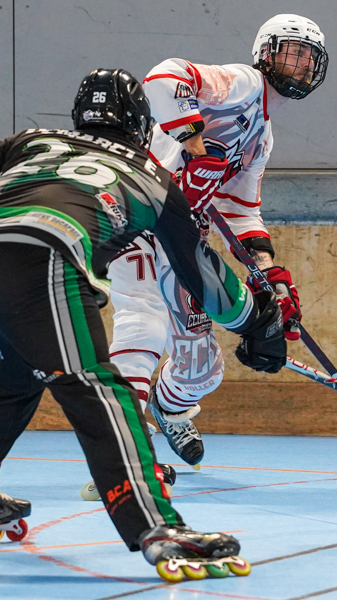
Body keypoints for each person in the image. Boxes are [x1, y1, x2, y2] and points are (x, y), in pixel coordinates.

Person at [0, 68, 286, 581]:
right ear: (139, 123)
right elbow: (204, 276)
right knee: (98, 390)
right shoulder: (153, 178)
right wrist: (256, 321)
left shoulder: (29, 141)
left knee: (14, 382)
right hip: (42, 256)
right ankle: (158, 527)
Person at [105, 13, 327, 467]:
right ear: (266, 53)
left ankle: (169, 409)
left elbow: (239, 210)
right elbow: (164, 78)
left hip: (182, 239)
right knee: (143, 321)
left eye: (310, 57)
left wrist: (270, 275)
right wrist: (193, 142)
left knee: (201, 370)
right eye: (294, 51)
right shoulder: (242, 84)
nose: (303, 63)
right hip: (138, 214)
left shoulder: (261, 137)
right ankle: (122, 452)